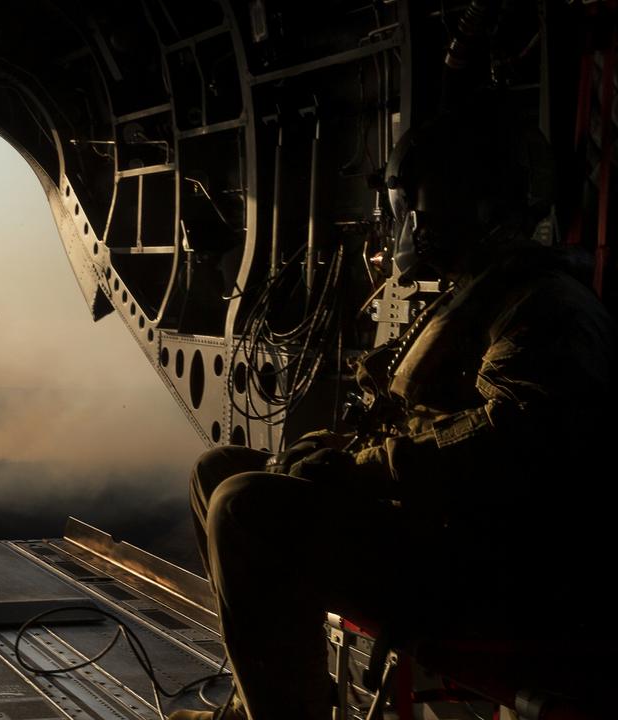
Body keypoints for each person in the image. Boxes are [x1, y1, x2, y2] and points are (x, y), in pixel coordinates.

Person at [171, 108, 616, 720]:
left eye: (429, 211)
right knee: (216, 470)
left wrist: (364, 470)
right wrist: (338, 451)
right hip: (438, 529)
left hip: (493, 570)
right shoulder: (482, 292)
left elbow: (514, 441)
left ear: (486, 206)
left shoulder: (547, 308)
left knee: (245, 508)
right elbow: (425, 419)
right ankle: (263, 705)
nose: (417, 227)